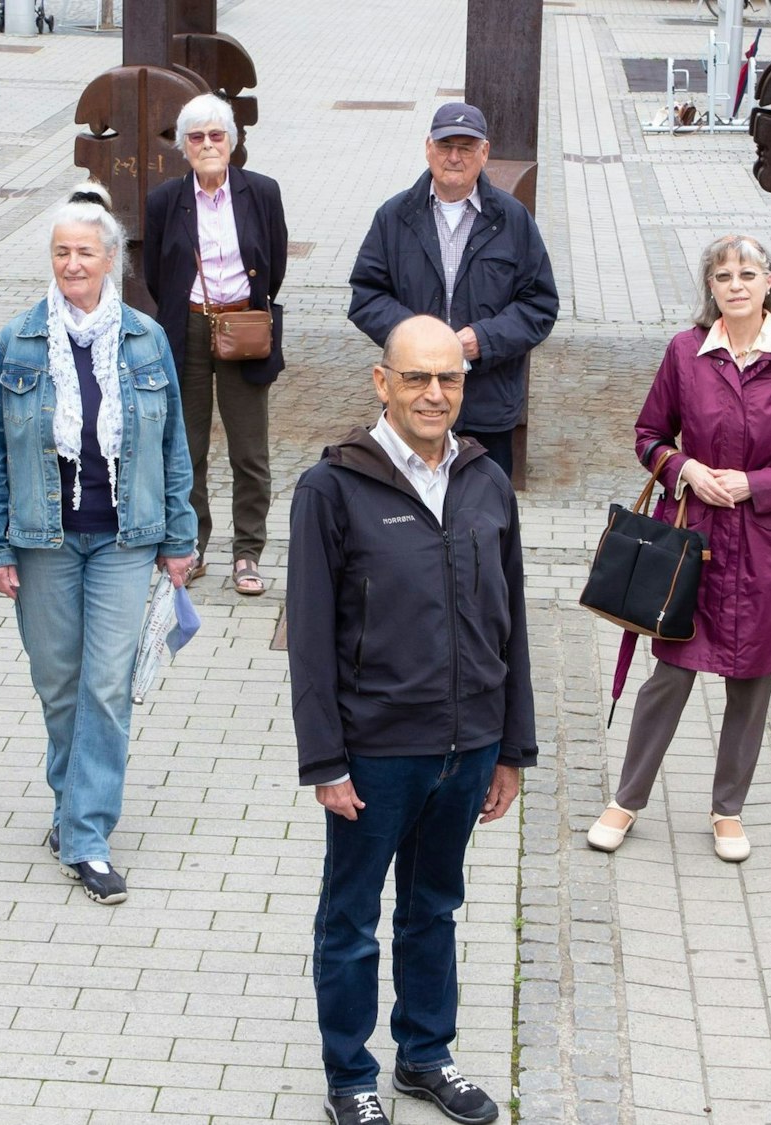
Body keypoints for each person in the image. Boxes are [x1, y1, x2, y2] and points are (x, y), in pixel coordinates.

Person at [288, 315, 536, 1125]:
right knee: (353, 918)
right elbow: (311, 641)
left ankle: (426, 1055)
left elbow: (513, 620)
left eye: (450, 380)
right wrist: (324, 759)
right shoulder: (332, 488)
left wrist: (512, 748)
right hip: (375, 752)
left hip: (467, 747)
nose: (436, 394)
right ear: (382, 381)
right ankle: (350, 1073)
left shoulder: (484, 479)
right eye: (419, 378)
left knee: (435, 906)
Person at [585, 237, 771, 862]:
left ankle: (728, 810)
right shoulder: (685, 352)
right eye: (723, 275)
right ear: (711, 286)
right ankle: (626, 798)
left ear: (769, 284)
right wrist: (683, 467)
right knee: (671, 672)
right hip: (695, 538)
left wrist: (756, 484)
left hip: (768, 546)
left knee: (752, 680)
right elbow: (649, 434)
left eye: (748, 274)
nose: (735, 285)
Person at [0, 184, 196, 906]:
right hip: (43, 539)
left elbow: (173, 446)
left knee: (106, 684)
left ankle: (88, 836)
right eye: (62, 251)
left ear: (113, 259)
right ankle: (71, 808)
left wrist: (179, 533)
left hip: (126, 539)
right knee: (58, 683)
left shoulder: (144, 336)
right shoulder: (18, 338)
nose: (73, 263)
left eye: (86, 251)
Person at [348, 102, 559, 477]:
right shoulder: (394, 216)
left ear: (485, 153)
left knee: (484, 519)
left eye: (466, 147)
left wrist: (484, 338)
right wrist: (417, 339)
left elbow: (539, 304)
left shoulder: (513, 220)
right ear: (428, 147)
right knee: (410, 518)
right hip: (412, 405)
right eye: (446, 146)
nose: (455, 157)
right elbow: (366, 295)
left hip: (487, 406)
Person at [142, 92, 289, 596]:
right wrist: (191, 313)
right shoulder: (165, 199)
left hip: (244, 325)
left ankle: (248, 552)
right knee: (188, 446)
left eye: (216, 135)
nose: (208, 144)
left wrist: (243, 310)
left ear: (233, 141)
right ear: (184, 146)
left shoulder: (262, 192)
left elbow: (275, 263)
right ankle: (193, 544)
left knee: (250, 450)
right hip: (186, 328)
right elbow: (159, 274)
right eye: (197, 137)